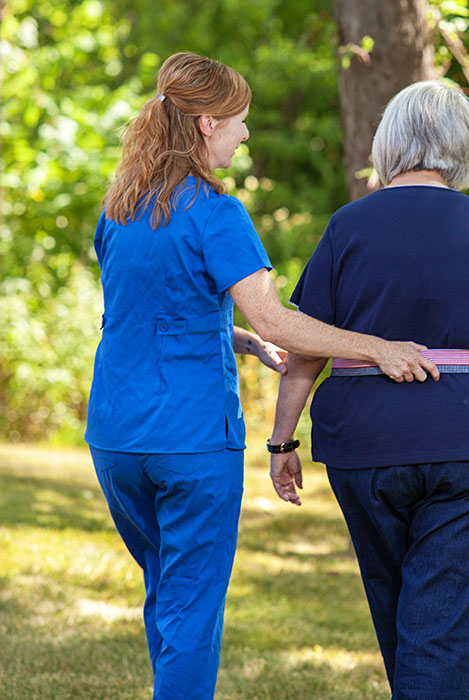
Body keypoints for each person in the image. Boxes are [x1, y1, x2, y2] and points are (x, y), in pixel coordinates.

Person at [84, 52, 438, 700]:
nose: (246, 135)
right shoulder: (217, 214)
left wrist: (238, 341)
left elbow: (141, 315)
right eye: (240, 122)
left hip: (114, 437)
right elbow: (278, 319)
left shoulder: (120, 209)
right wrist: (378, 347)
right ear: (208, 124)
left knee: (166, 589)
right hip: (189, 440)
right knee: (192, 609)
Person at [268, 80, 469, 700]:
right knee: (436, 627)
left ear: (388, 143)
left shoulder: (346, 226)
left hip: (366, 445)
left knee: (409, 619)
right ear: (461, 146)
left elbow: (306, 352)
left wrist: (281, 444)